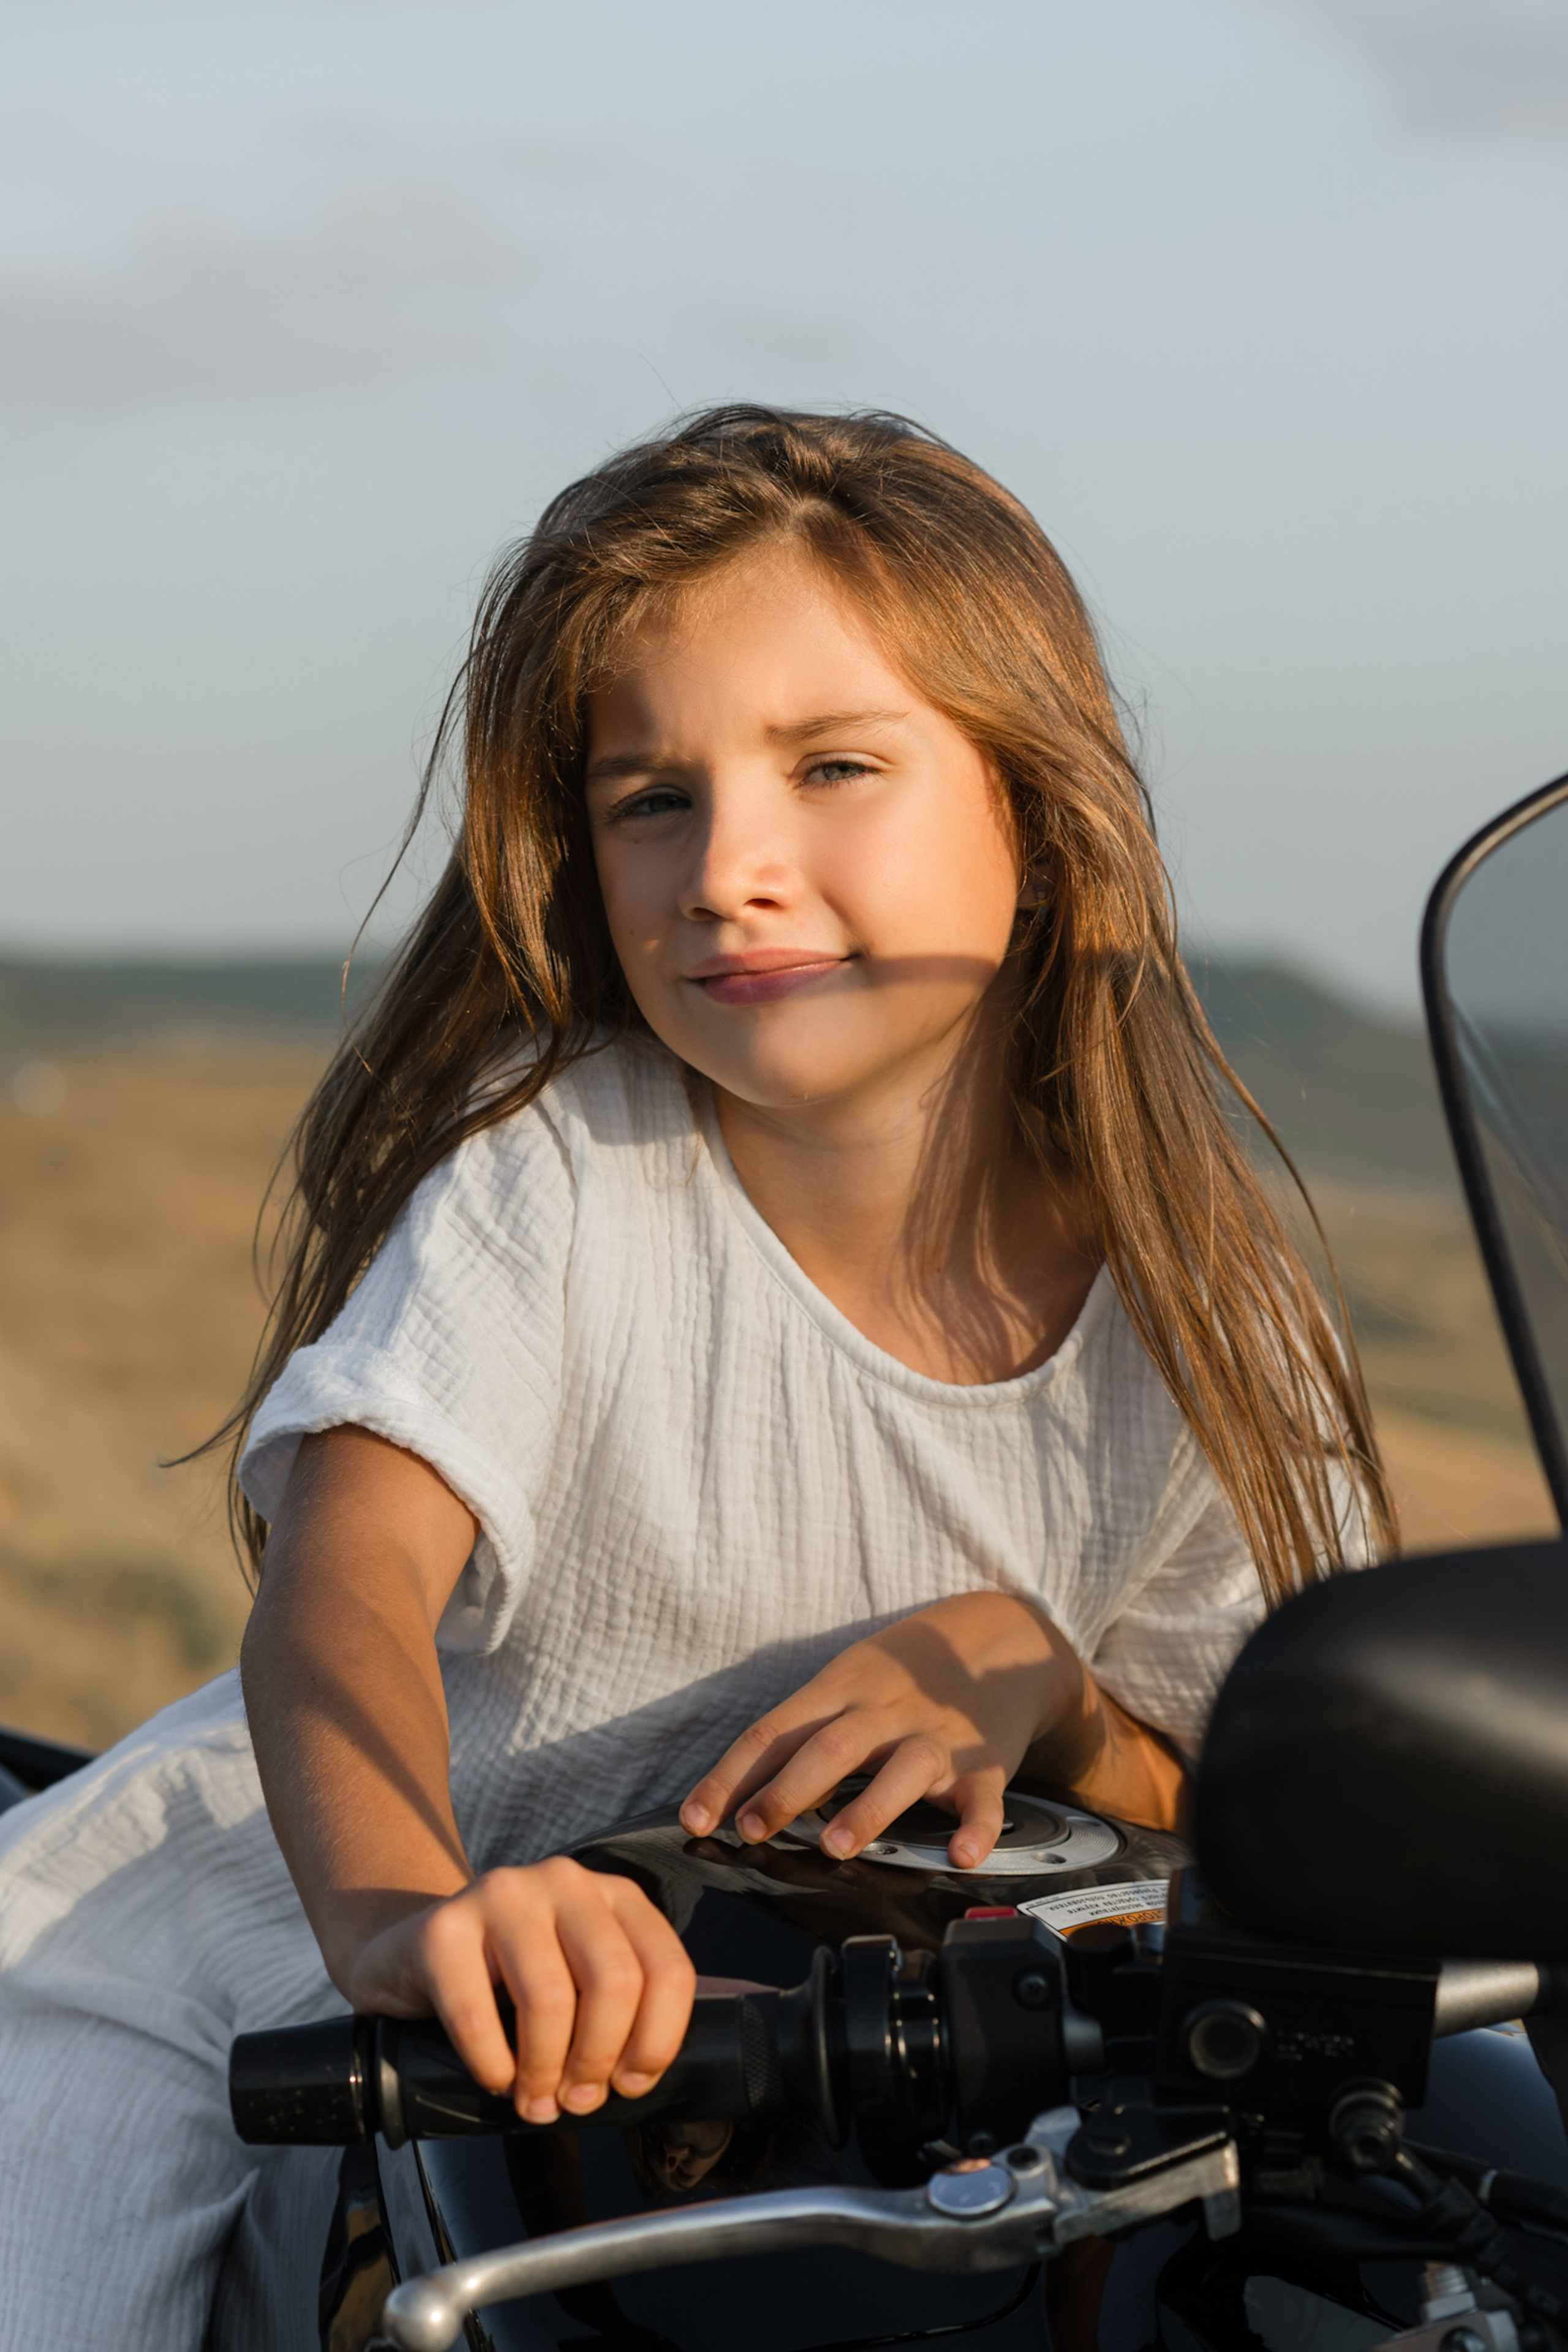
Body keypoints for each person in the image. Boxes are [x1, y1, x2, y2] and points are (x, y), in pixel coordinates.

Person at [0, 407, 1392, 2348]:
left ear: (1041, 807)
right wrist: (404, 1912)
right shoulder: (565, 1158)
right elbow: (348, 1584)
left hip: (709, 2055)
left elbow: (1260, 1797)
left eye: (832, 767)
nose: (728, 865)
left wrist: (1043, 1685)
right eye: (651, 797)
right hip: (213, 1970)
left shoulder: (1208, 1314)